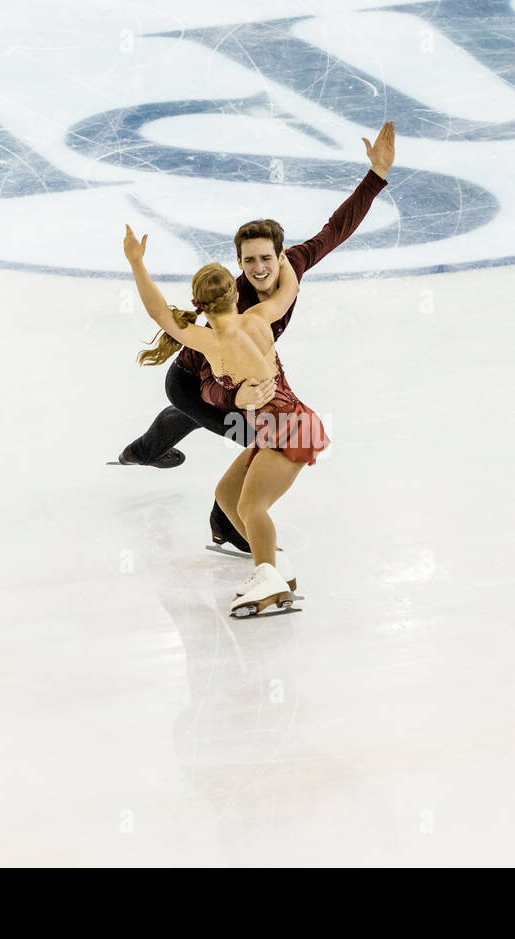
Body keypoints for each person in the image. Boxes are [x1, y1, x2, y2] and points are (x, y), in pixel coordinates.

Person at [117, 122, 396, 554]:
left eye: (267, 258)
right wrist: (238, 398)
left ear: (281, 255)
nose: (259, 268)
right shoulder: (232, 301)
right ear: (238, 262)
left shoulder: (293, 266)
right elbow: (215, 377)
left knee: (248, 426)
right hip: (198, 381)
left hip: (229, 383)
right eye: (249, 261)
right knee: (259, 437)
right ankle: (225, 520)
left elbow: (337, 228)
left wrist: (376, 176)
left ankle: (146, 451)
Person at [123, 226, 327, 617]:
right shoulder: (257, 318)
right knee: (227, 496)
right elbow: (290, 291)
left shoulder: (206, 340)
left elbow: (158, 312)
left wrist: (136, 263)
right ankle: (276, 566)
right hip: (277, 430)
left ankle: (266, 575)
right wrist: (282, 262)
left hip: (289, 429)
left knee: (252, 507)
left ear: (198, 302)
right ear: (235, 293)